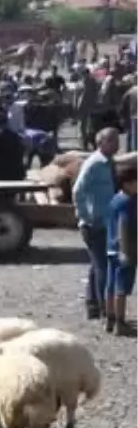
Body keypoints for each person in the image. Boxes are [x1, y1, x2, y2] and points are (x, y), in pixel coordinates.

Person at [73, 127, 120, 320]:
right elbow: (78, 190)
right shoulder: (94, 164)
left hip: (106, 221)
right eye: (111, 140)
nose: (116, 144)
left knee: (96, 265)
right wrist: (86, 215)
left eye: (117, 140)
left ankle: (92, 306)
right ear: (100, 142)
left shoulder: (109, 163)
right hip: (94, 224)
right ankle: (105, 309)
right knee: (104, 266)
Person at [105, 165, 138, 334]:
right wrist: (125, 251)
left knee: (110, 285)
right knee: (122, 288)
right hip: (124, 250)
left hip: (111, 248)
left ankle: (110, 319)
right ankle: (120, 322)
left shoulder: (115, 199)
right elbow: (123, 226)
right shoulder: (128, 202)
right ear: (127, 183)